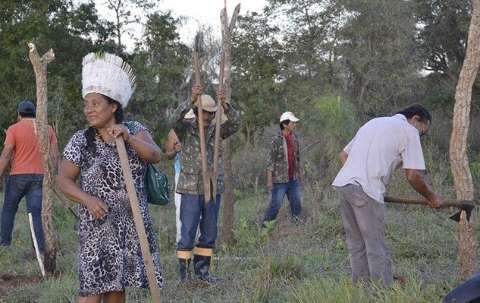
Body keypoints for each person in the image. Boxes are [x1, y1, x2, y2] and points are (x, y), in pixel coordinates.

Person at [56, 52, 163, 302]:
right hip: (96, 231)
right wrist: (87, 200)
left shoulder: (134, 129)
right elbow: (63, 179)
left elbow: (155, 155)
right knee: (90, 294)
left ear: (113, 106)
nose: (89, 110)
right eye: (86, 104)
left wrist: (127, 137)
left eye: (95, 103)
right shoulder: (81, 140)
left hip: (129, 228)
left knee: (117, 291)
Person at [332, 104, 443, 286]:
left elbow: (343, 155)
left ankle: (361, 289)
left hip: (345, 186)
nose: (421, 137)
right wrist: (432, 197)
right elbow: (413, 175)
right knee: (375, 246)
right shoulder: (409, 131)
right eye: (423, 132)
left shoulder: (374, 123)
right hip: (365, 190)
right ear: (415, 119)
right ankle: (382, 292)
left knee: (356, 245)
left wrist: (359, 177)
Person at [172, 85, 240, 283]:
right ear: (197, 111)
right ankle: (184, 277)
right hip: (191, 188)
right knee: (187, 234)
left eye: (212, 113)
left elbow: (235, 124)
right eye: (205, 113)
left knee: (209, 234)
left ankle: (203, 274)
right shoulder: (186, 129)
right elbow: (173, 120)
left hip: (212, 188)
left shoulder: (217, 130)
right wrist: (191, 99)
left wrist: (225, 105)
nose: (208, 117)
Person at [0, 100, 58, 252]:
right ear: (35, 113)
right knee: (35, 213)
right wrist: (52, 176)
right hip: (39, 177)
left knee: (8, 209)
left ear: (19, 114)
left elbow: (6, 155)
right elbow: (54, 155)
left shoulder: (14, 129)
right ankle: (38, 248)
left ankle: (4, 244)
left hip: (18, 176)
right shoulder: (48, 129)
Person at [262, 111, 303, 226]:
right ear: (285, 124)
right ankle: (265, 228)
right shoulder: (276, 140)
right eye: (292, 122)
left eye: (295, 123)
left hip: (292, 179)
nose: (294, 125)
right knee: (275, 205)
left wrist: (299, 174)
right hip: (280, 180)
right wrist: (269, 180)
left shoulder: (294, 138)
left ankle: (297, 226)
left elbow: (297, 158)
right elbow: (270, 160)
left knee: (296, 204)